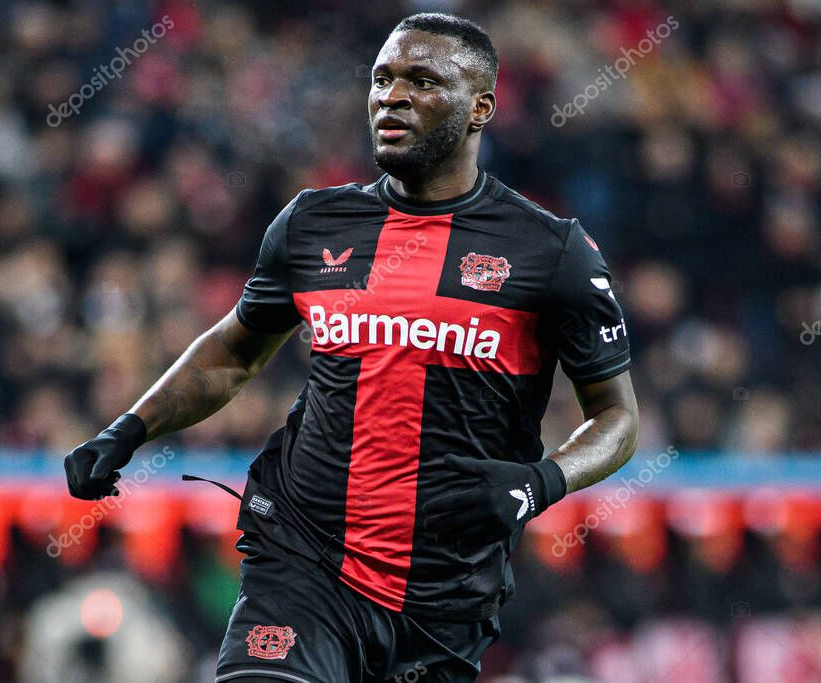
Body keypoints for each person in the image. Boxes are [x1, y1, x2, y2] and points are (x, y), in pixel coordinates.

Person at [64, 12, 639, 683]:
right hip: (302, 560)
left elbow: (618, 419)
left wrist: (542, 482)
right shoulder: (313, 223)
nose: (391, 96)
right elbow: (233, 352)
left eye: (422, 80)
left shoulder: (551, 250)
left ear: (480, 107)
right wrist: (129, 427)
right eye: (382, 78)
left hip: (443, 594)